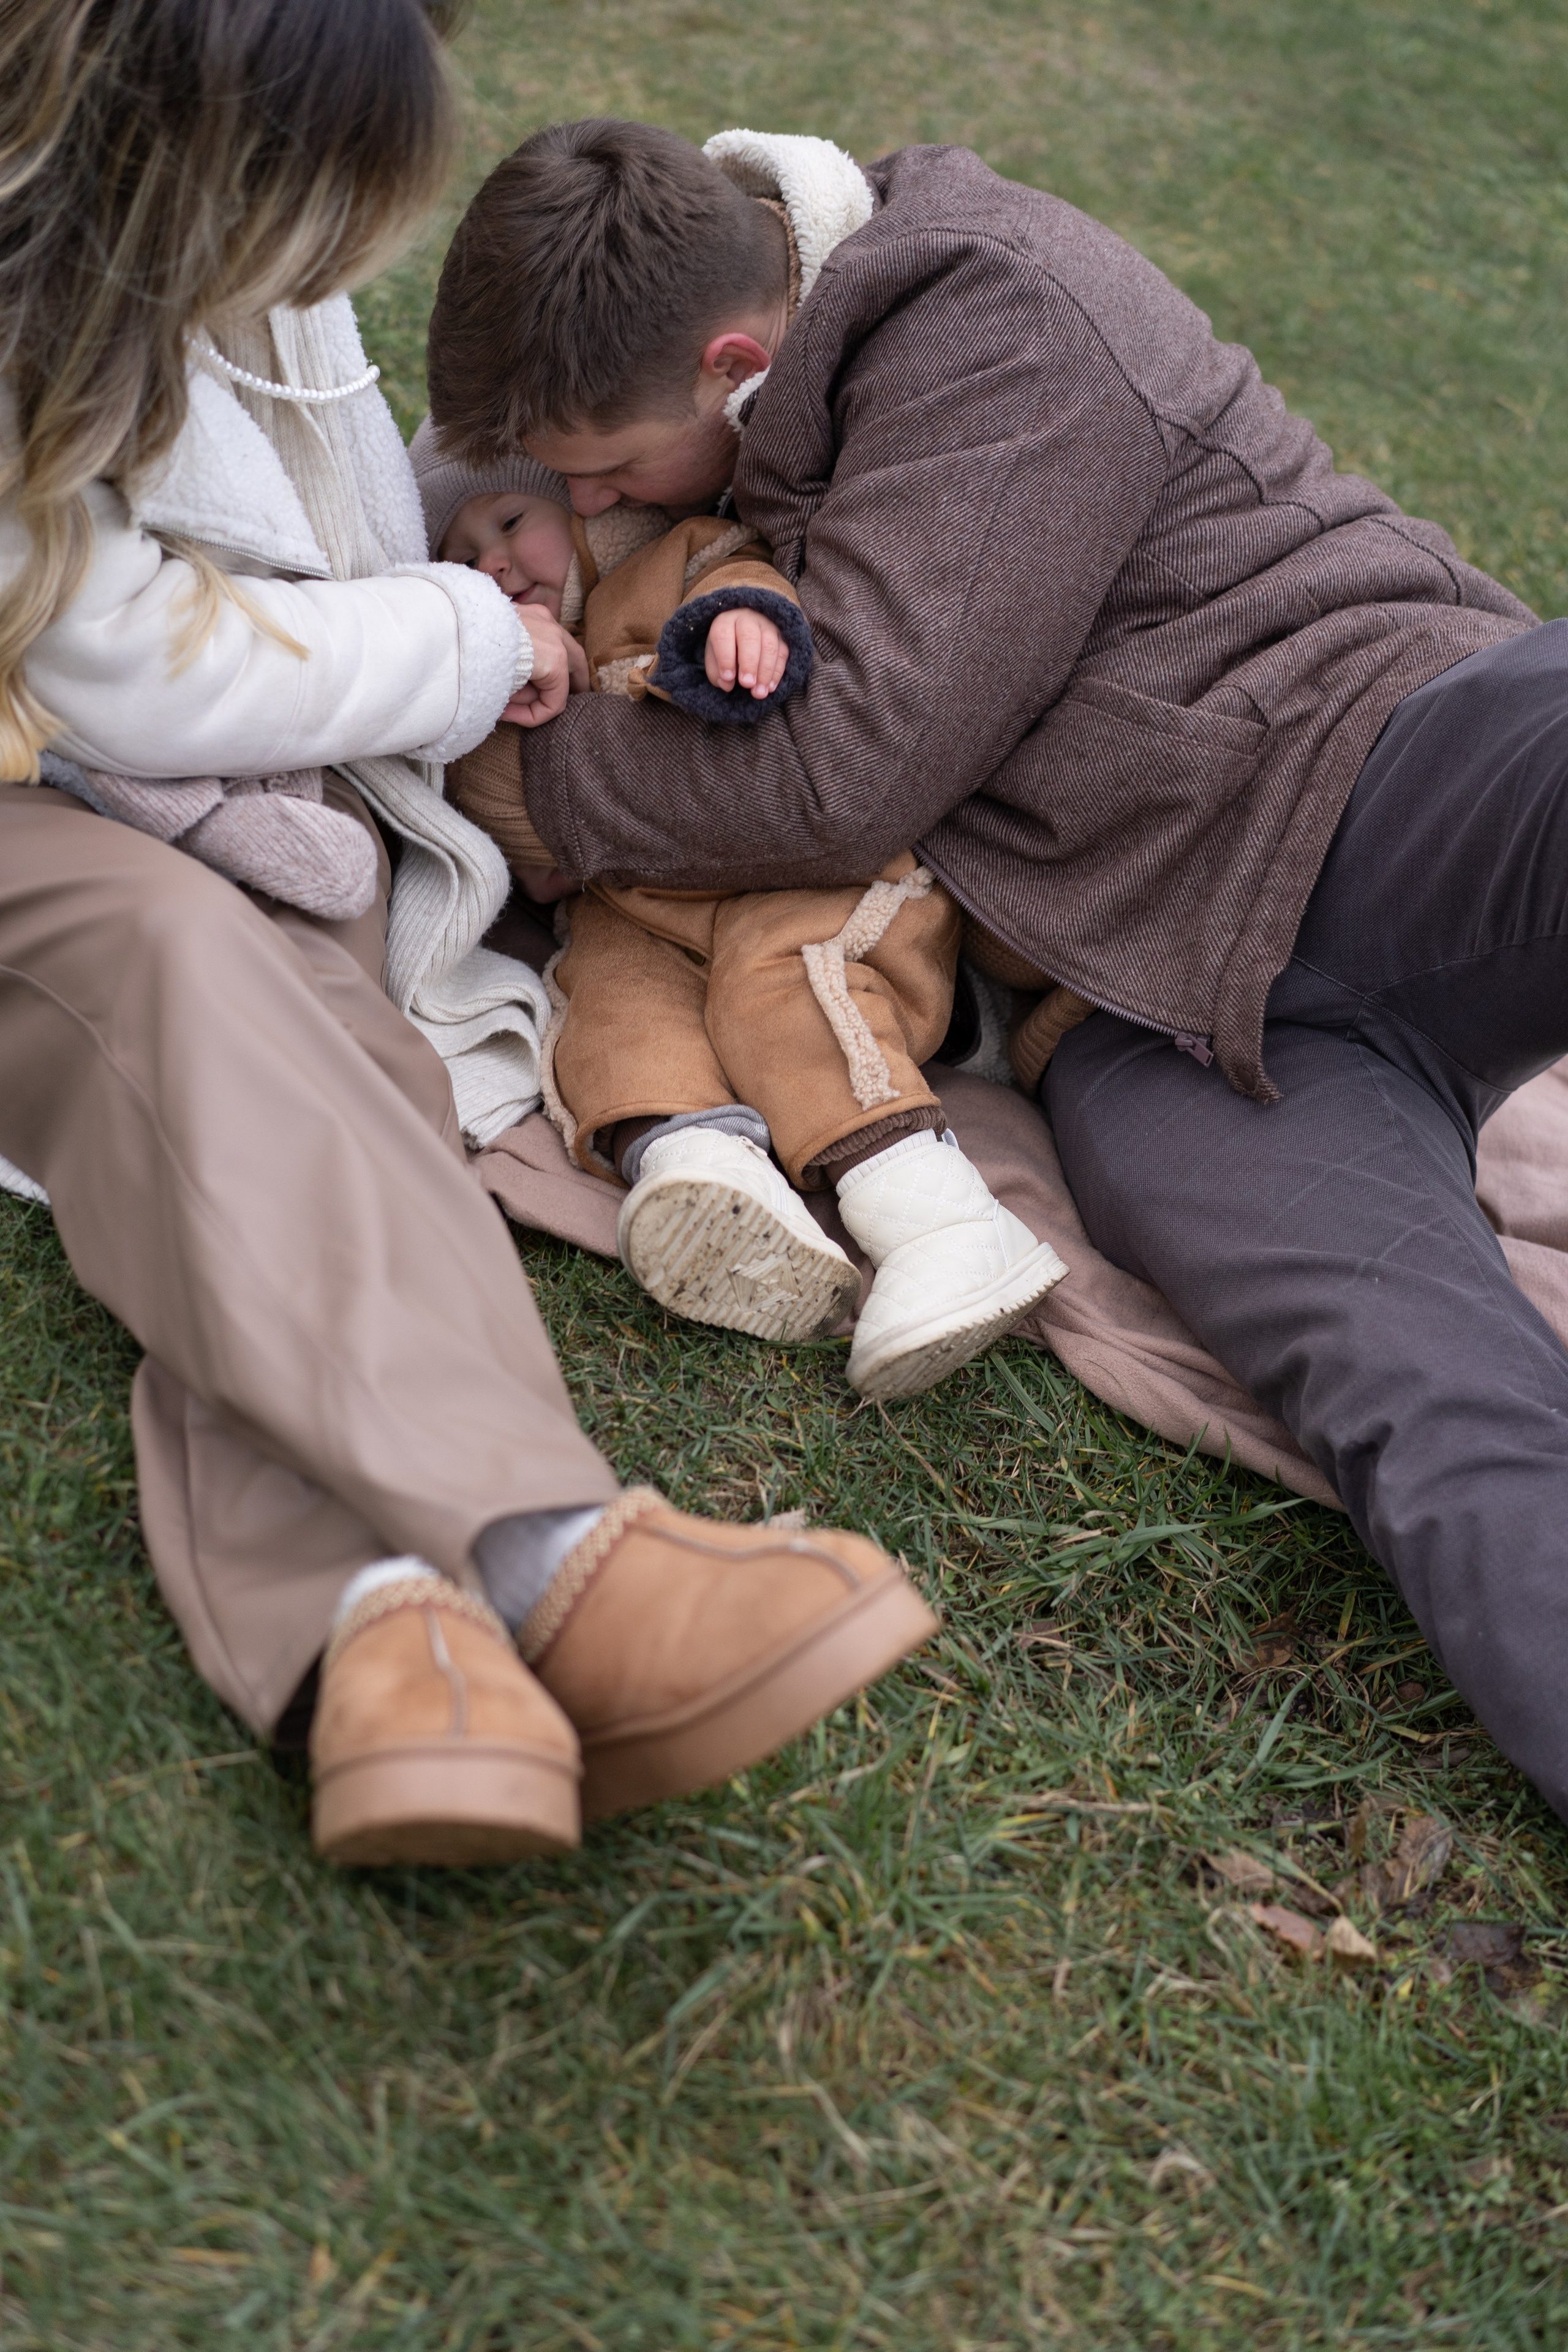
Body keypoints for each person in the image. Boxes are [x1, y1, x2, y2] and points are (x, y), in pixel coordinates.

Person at [426, 116, 1568, 1827]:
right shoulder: (706, 429)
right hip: (1139, 1026)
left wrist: (504, 783)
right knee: (1424, 1408)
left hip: (1376, 778)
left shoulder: (1001, 311)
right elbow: (506, 515)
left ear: (739, 367)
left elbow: (844, 777)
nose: (585, 513)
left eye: (601, 473)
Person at [0, 6, 939, 1871]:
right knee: (188, 975)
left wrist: (455, 524)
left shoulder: (203, 269)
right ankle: (548, 1562)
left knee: (311, 1058)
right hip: (59, 786)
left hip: (187, 795)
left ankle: (395, 1646)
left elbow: (290, 504)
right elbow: (115, 643)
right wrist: (459, 634)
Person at [407, 429, 1066, 1396]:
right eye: (462, 562)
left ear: (583, 509)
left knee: (787, 979)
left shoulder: (663, 559)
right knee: (606, 1002)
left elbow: (742, 576)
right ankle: (703, 1169)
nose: (493, 559)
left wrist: (739, 626)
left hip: (803, 876)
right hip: (641, 907)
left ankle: (945, 1223)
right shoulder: (499, 680)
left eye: (510, 523)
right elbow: (510, 837)